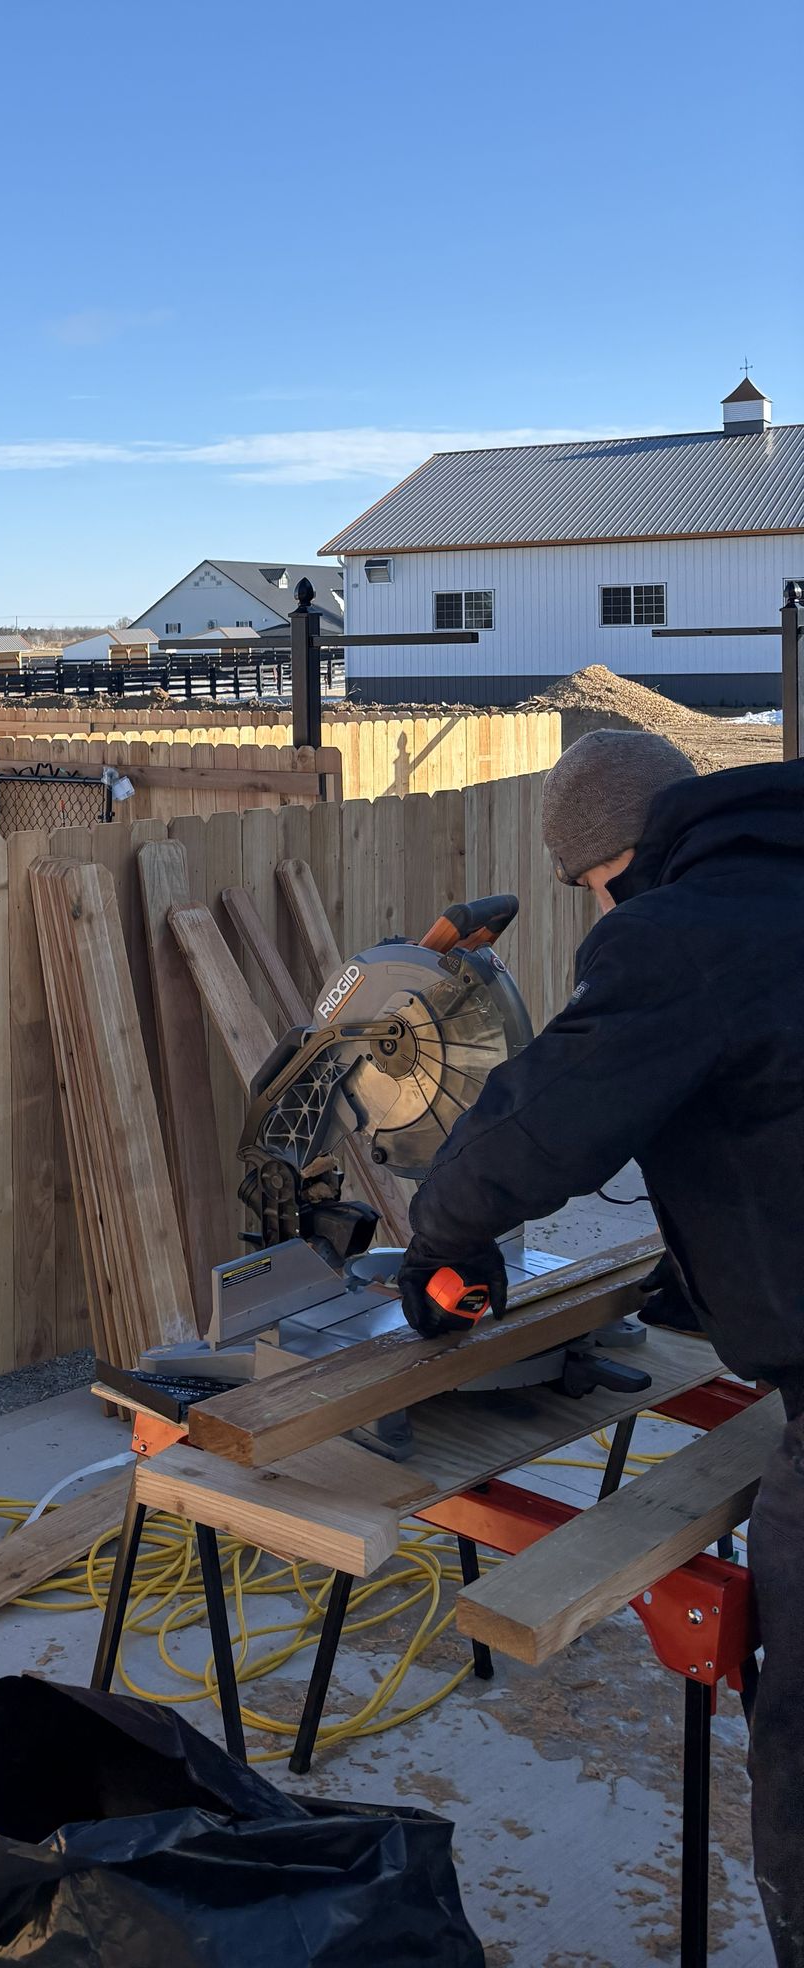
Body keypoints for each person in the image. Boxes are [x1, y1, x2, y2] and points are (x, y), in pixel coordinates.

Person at [397, 728, 804, 1963]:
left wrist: (439, 1234)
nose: (594, 906)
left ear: (616, 859)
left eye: (585, 888)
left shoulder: (681, 929)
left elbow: (549, 1122)